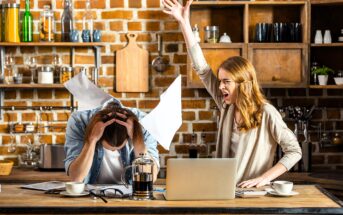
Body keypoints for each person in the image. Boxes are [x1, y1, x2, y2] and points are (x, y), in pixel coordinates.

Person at [163, 0, 302, 188]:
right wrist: (184, 22)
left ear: (243, 84)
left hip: (253, 195)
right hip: (223, 191)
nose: (220, 87)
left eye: (226, 82)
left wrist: (265, 178)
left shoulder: (267, 113)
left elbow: (294, 151)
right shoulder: (226, 105)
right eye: (220, 81)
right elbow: (201, 68)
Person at [64, 98, 160, 184]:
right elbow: (76, 178)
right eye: (109, 148)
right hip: (91, 196)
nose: (113, 151)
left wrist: (137, 139)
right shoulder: (79, 121)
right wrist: (91, 140)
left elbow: (151, 178)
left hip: (130, 195)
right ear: (100, 135)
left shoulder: (144, 122)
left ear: (127, 137)